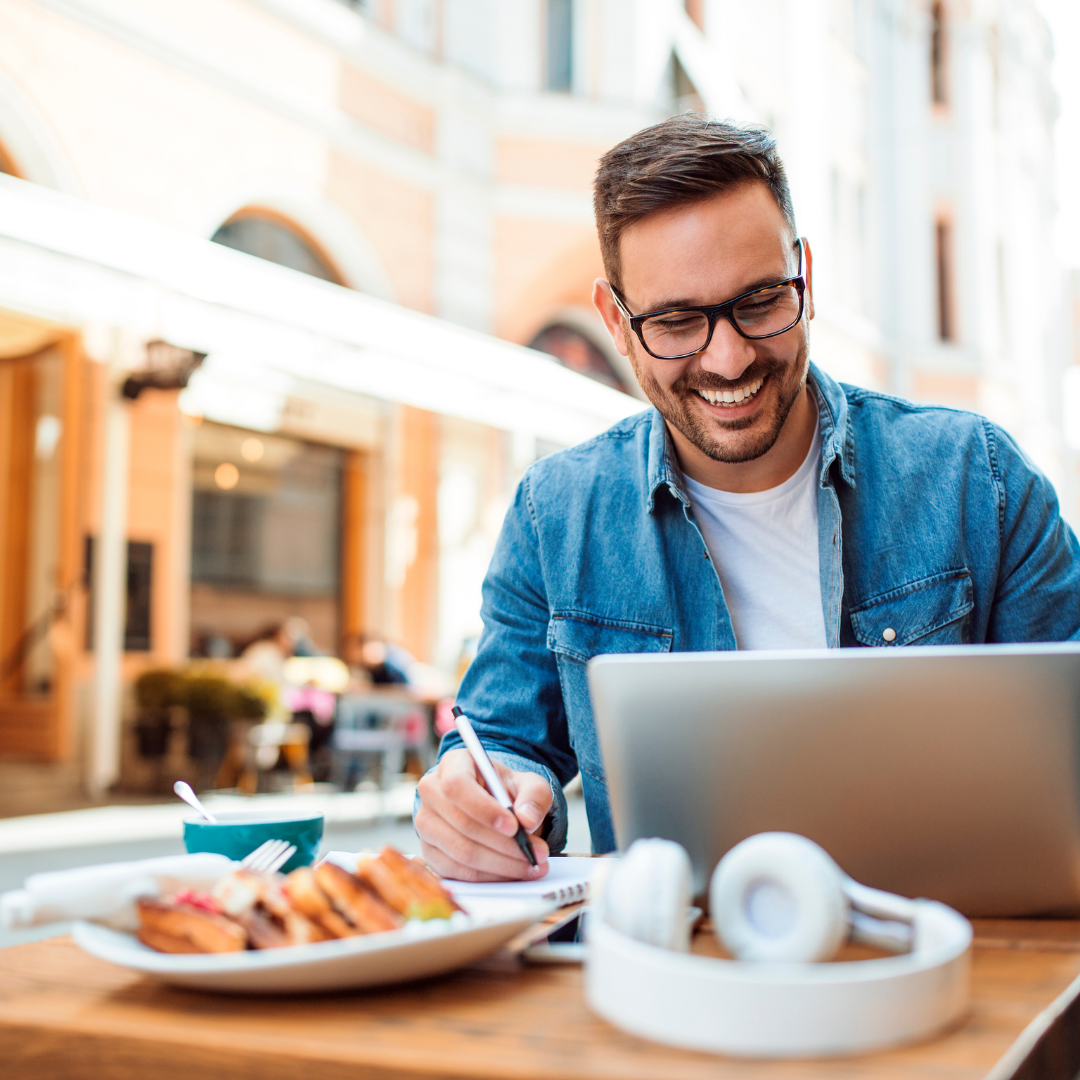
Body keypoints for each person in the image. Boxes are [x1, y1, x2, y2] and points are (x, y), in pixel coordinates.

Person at [414, 115, 1080, 882]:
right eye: (676, 322)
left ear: (804, 275)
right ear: (616, 323)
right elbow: (500, 747)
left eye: (760, 301)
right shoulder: (554, 515)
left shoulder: (977, 480)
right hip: (675, 968)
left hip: (955, 954)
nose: (728, 358)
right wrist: (485, 804)